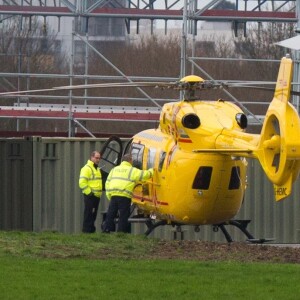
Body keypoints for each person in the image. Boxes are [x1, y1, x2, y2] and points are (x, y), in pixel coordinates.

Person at [103, 153, 154, 233]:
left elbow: (107, 183)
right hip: (124, 196)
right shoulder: (132, 170)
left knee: (111, 214)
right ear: (130, 161)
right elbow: (144, 175)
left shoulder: (114, 169)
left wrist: (109, 195)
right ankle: (121, 233)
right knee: (123, 216)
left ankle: (106, 230)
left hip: (114, 196)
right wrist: (152, 171)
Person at [79, 151, 103, 233]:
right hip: (90, 196)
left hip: (96, 196)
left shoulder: (97, 169)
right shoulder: (87, 168)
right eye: (96, 158)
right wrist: (89, 193)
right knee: (89, 214)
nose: (98, 160)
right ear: (91, 157)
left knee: (93, 215)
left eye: (99, 158)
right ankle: (86, 231)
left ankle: (91, 231)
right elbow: (82, 182)